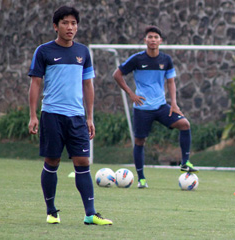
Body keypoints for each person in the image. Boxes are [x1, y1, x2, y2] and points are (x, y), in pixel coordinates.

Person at [28, 6, 113, 225]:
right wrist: (33, 115)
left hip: (77, 117)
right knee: (52, 161)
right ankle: (51, 211)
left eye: (74, 23)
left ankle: (90, 214)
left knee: (83, 161)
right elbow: (35, 83)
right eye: (65, 23)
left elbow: (88, 85)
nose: (70, 27)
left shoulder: (83, 52)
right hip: (52, 115)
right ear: (56, 26)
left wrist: (90, 117)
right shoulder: (44, 51)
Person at [113, 26, 197, 189]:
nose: (153, 40)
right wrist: (131, 93)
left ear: (160, 41)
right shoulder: (137, 59)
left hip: (161, 106)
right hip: (142, 108)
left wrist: (173, 102)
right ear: (145, 40)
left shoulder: (166, 60)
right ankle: (141, 179)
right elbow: (117, 74)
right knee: (139, 141)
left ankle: (185, 162)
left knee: (185, 124)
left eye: (156, 37)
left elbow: (171, 81)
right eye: (150, 37)